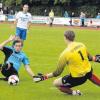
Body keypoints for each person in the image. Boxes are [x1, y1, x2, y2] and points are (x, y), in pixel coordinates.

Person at [34, 30, 100, 95]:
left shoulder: (65, 54)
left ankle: (75, 93)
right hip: (89, 71)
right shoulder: (81, 45)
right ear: (74, 37)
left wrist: (44, 77)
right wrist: (97, 59)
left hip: (77, 78)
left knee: (56, 83)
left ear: (65, 37)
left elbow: (57, 72)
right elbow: (90, 57)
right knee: (89, 73)